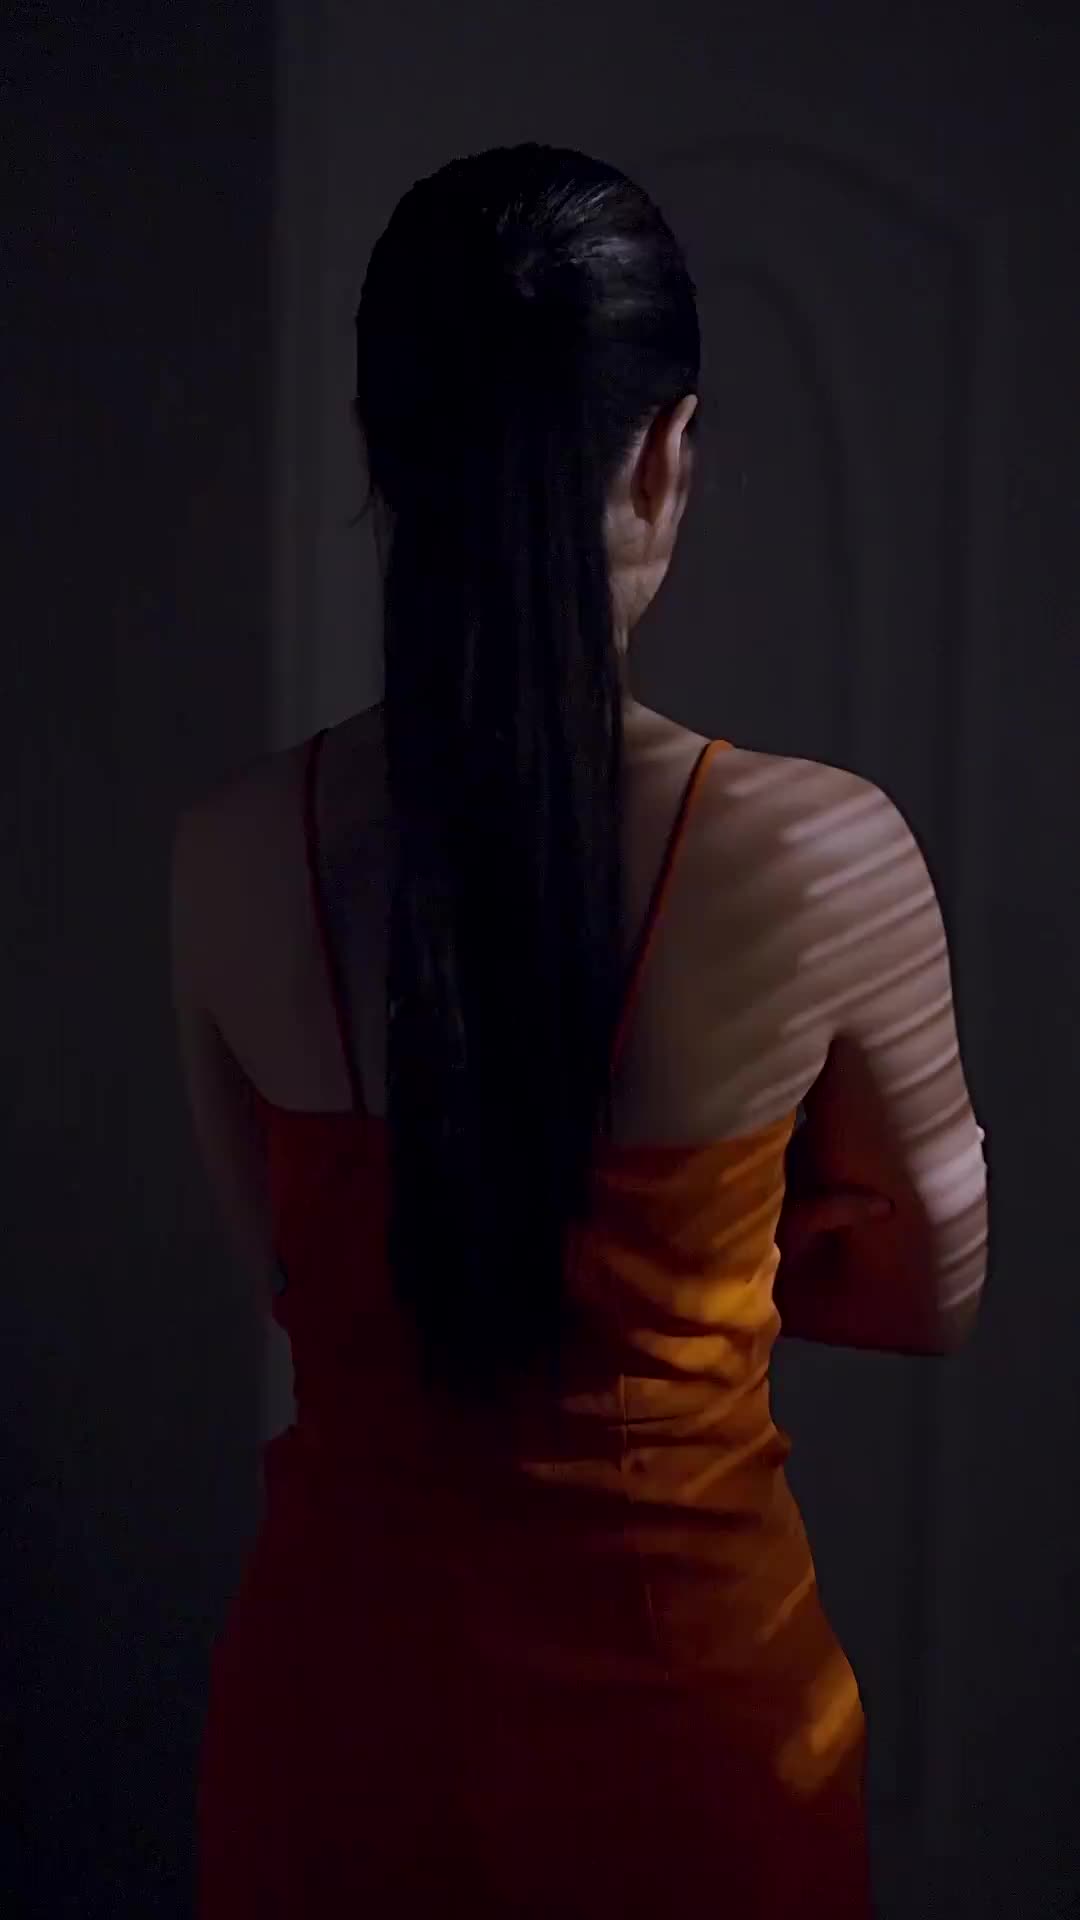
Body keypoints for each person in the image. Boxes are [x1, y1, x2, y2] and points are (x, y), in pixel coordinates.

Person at [172, 143, 988, 1918]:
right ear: (663, 451)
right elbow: (931, 1294)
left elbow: (305, 1280)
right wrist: (711, 1259)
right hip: (692, 1746)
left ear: (380, 453)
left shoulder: (229, 853)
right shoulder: (825, 853)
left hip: (331, 1739)